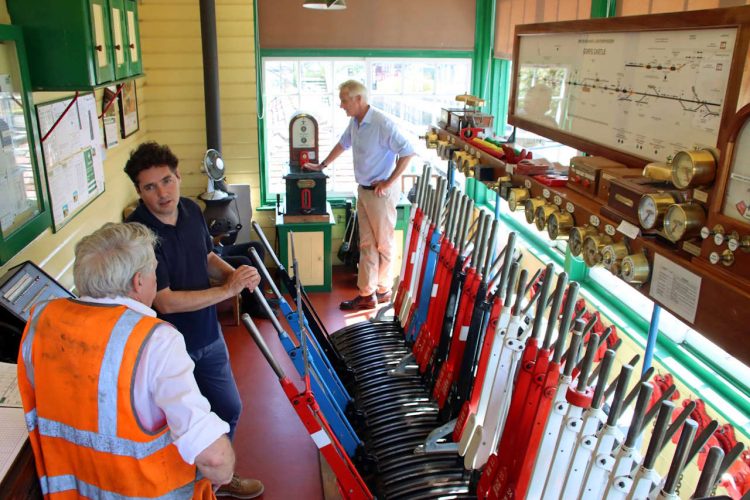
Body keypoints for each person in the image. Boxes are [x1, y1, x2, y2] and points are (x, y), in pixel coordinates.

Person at [17, 222, 238, 498]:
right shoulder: (154, 340)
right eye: (154, 271)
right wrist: (225, 473)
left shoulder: (41, 318)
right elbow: (214, 458)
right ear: (138, 281)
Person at [124, 142, 263, 498]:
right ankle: (189, 489)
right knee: (182, 427)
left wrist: (237, 275)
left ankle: (216, 483)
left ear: (178, 177)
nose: (162, 193)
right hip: (168, 348)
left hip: (208, 336)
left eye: (167, 181)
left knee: (229, 408)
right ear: (139, 192)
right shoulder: (138, 234)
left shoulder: (189, 209)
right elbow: (164, 301)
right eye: (150, 187)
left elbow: (205, 257)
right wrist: (227, 292)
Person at [305, 80, 415, 310]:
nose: (341, 105)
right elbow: (343, 144)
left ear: (358, 99)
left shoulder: (381, 123)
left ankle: (383, 290)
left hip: (380, 194)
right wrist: (322, 165)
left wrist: (388, 181)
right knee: (366, 244)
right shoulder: (356, 123)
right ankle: (367, 294)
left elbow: (407, 152)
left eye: (344, 100)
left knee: (383, 244)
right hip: (364, 191)